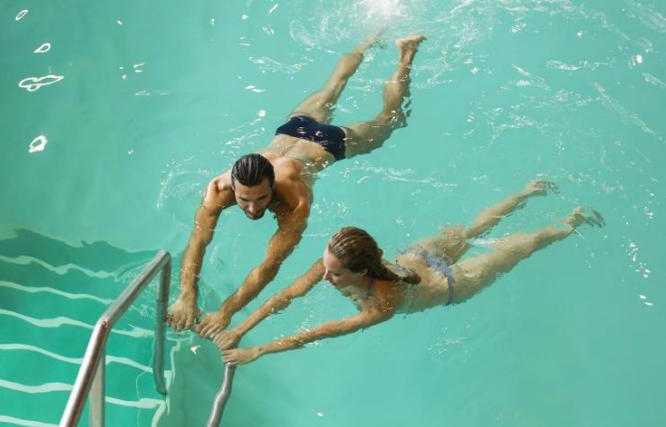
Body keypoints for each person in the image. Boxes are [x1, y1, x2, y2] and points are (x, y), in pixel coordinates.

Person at [168, 32, 428, 336]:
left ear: (272, 185)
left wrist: (227, 312)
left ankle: (405, 54)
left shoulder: (295, 201)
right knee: (335, 83)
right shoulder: (217, 190)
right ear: (233, 189)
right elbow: (198, 240)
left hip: (327, 143)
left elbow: (269, 266)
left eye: (262, 199)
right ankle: (366, 41)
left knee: (390, 121)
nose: (253, 209)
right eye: (244, 200)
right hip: (293, 128)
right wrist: (187, 295)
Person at [215, 179, 604, 365]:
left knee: (519, 246)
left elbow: (319, 332)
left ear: (360, 270)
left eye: (335, 274)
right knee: (471, 230)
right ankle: (526, 192)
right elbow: (287, 294)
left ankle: (570, 222)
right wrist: (241, 327)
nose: (325, 277)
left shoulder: (381, 304)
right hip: (421, 254)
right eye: (326, 268)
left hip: (451, 282)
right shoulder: (339, 257)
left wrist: (260, 349)